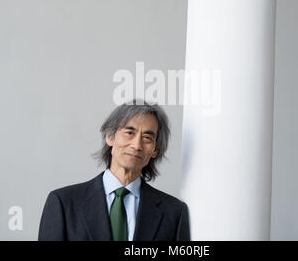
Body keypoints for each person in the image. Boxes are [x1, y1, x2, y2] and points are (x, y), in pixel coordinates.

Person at [38, 100, 190, 241]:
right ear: (110, 137)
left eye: (147, 138)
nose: (137, 145)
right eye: (129, 133)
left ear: (155, 150)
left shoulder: (174, 213)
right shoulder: (63, 203)